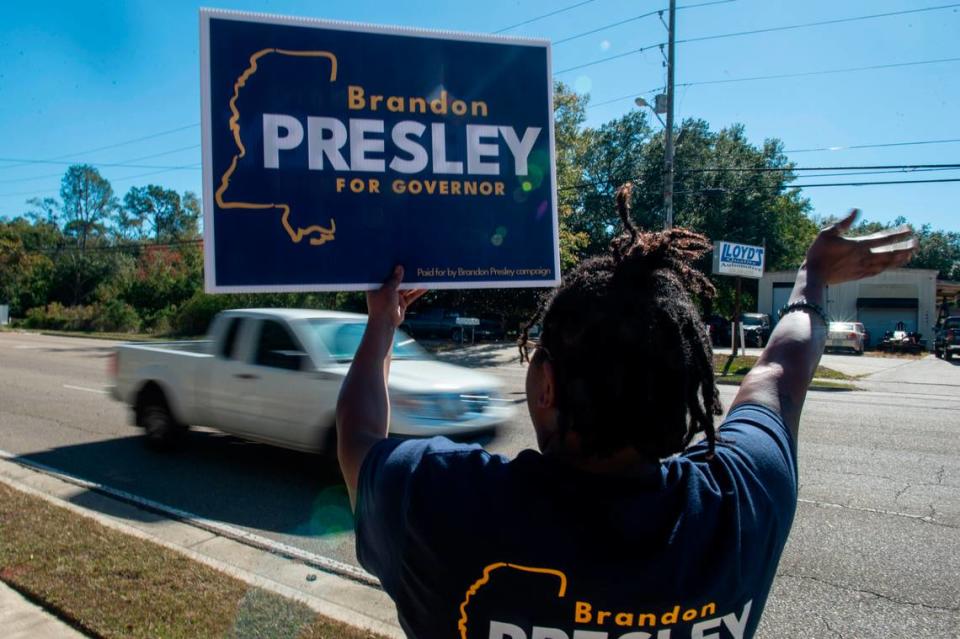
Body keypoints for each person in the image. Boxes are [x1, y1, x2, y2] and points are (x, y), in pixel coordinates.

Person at [336, 193, 917, 639]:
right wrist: (812, 278)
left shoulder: (442, 503)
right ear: (688, 390)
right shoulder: (741, 504)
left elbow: (358, 439)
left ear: (545, 386)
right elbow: (779, 373)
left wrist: (383, 323)